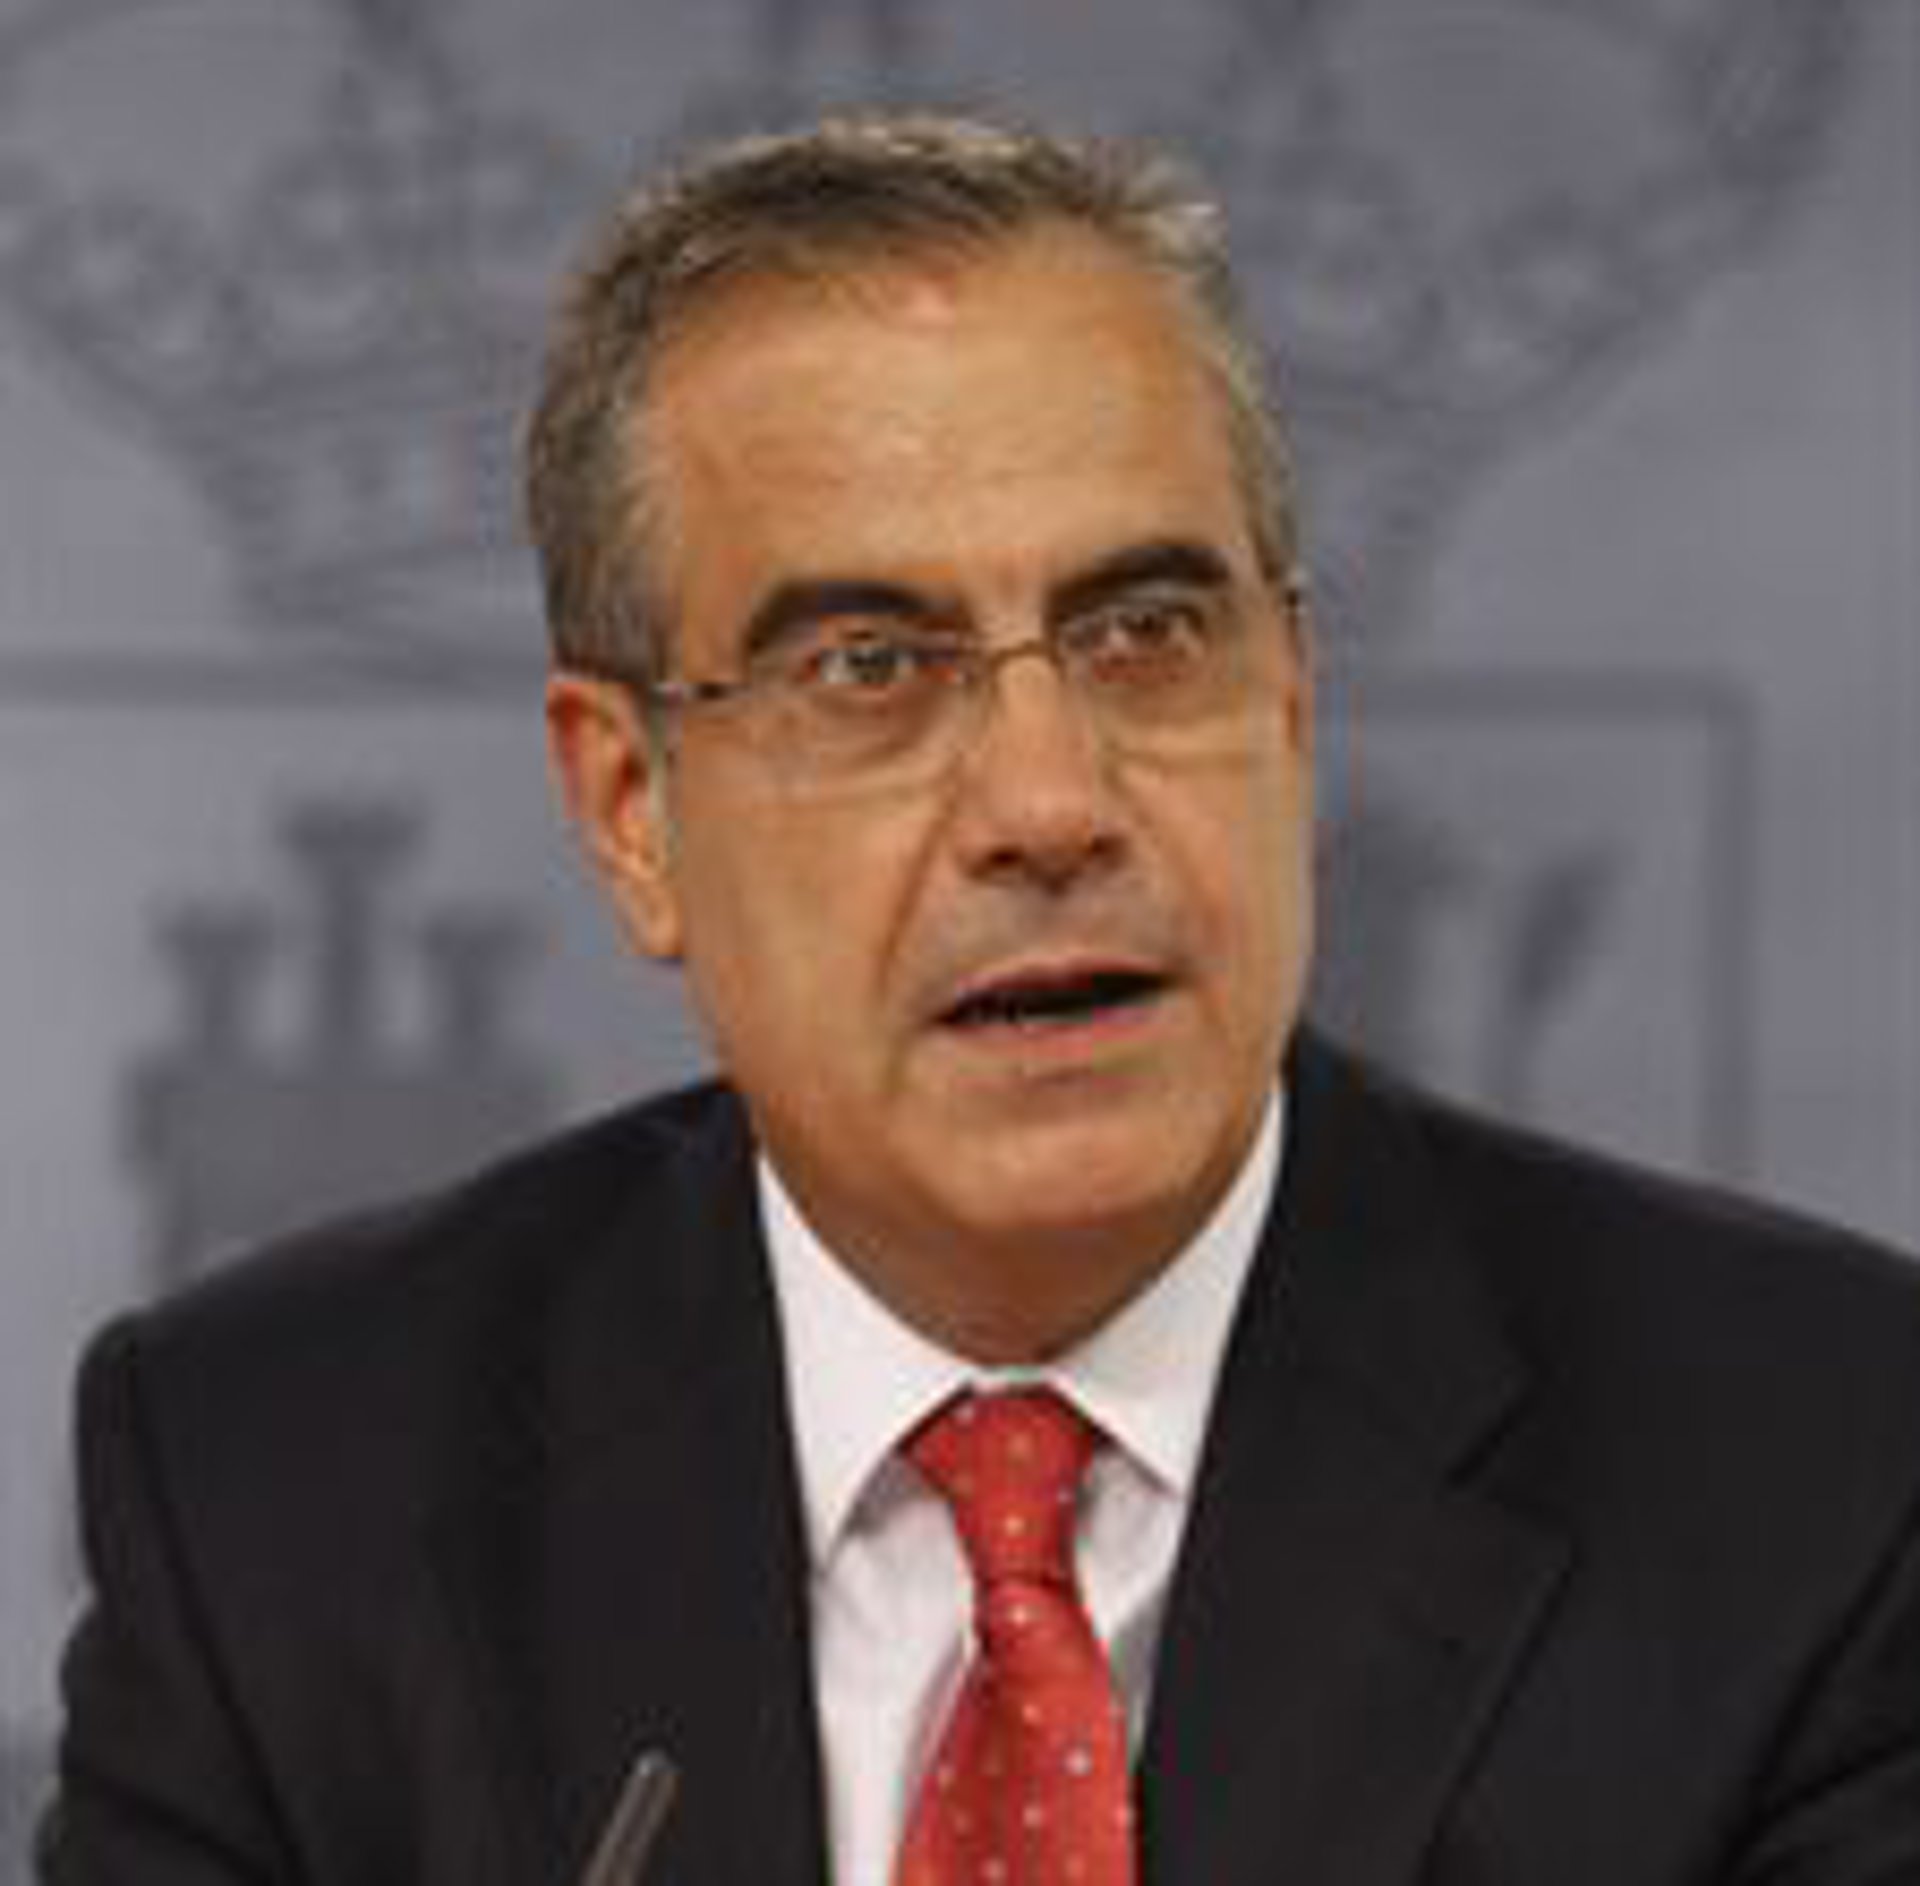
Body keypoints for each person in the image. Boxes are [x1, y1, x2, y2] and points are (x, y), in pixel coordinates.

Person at [39, 113, 1920, 1886]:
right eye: (869, 667)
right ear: (631, 811)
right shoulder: (273, 1492)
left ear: (1289, 700)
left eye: (1148, 634)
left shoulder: (1821, 1472)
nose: (1049, 802)